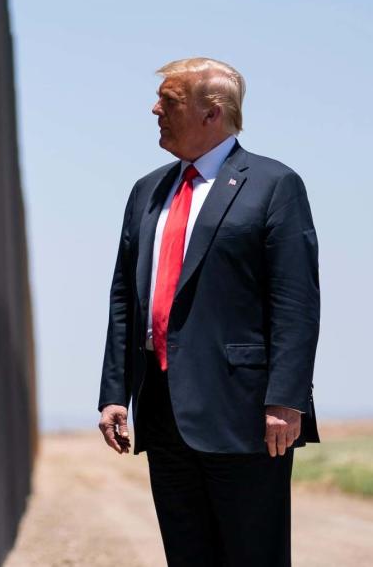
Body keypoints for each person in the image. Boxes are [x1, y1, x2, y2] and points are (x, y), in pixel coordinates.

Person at [97, 57, 320, 566]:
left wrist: (285, 398)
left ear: (212, 113)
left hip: (244, 414)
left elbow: (297, 302)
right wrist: (115, 392)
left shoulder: (274, 185)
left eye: (170, 101)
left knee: (251, 554)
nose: (155, 109)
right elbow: (124, 298)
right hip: (162, 409)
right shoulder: (146, 191)